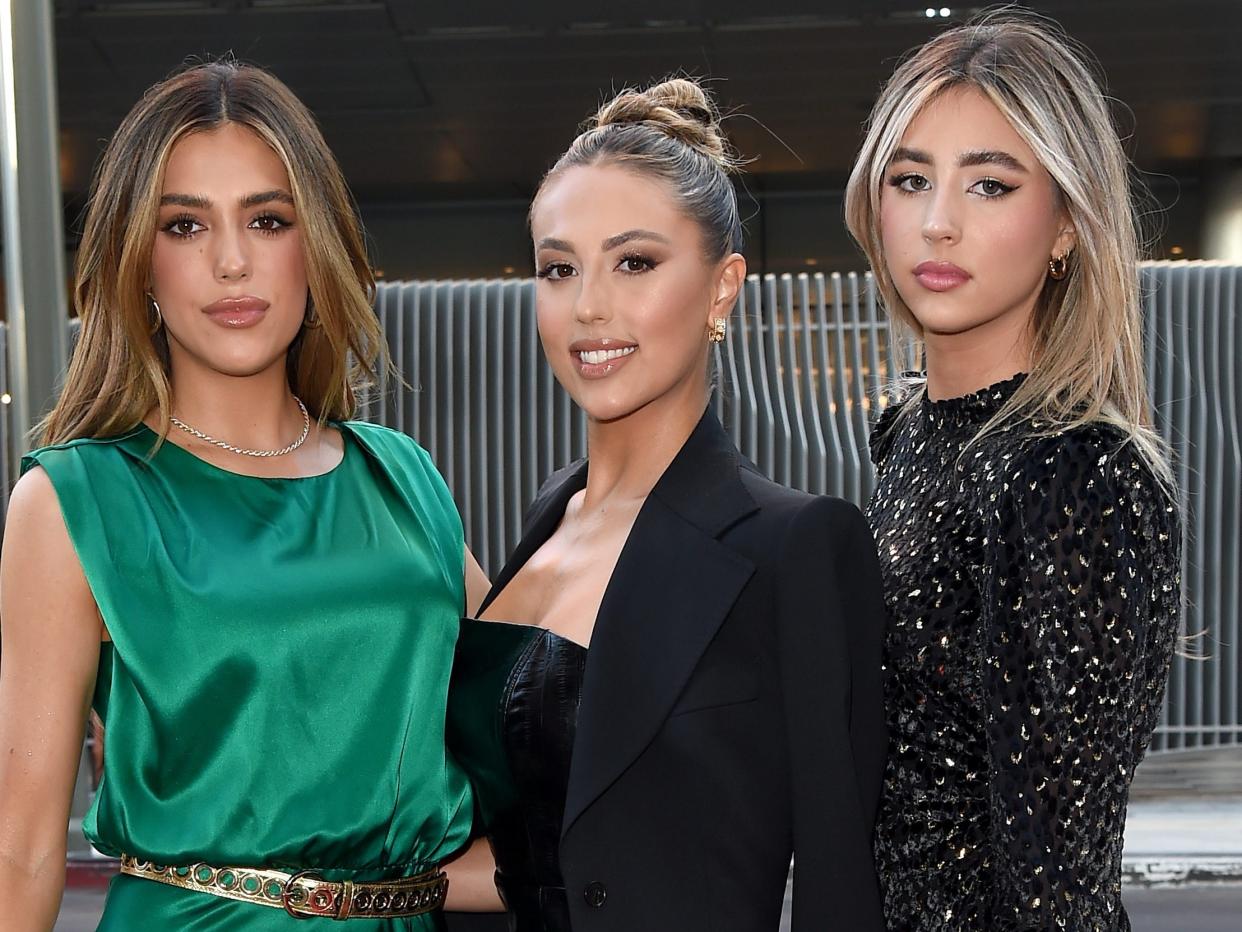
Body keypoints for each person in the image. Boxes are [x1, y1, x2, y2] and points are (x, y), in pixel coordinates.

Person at [0, 60, 490, 930]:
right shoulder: (76, 502)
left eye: (267, 220)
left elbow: (530, 722)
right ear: (138, 262)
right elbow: (25, 850)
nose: (231, 262)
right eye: (185, 226)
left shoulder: (403, 480)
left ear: (316, 246)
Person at [446, 77, 889, 932]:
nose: (589, 307)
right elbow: (525, 857)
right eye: (558, 269)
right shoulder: (549, 520)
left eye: (635, 262)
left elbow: (840, 884)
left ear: (723, 288)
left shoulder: (797, 546)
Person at [844, 10, 1183, 931]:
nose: (938, 221)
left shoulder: (1078, 473)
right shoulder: (909, 434)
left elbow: (1057, 871)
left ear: (1067, 223)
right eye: (909, 180)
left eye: (989, 185)